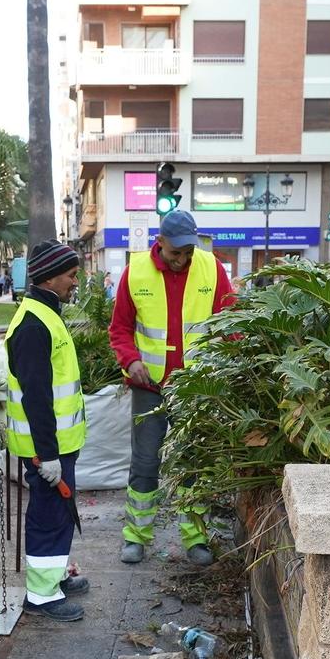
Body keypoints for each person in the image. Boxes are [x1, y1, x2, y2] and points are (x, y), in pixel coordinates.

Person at [109, 208, 236, 567]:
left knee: (194, 463)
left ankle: (195, 538)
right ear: (159, 242)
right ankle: (136, 537)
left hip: (197, 387)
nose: (182, 259)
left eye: (187, 252)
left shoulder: (211, 268)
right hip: (149, 386)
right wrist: (131, 361)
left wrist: (229, 365)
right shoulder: (135, 272)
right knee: (146, 461)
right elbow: (119, 328)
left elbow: (231, 320)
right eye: (175, 252)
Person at [5, 240, 90, 622]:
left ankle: (53, 576)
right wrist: (49, 455)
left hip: (55, 444)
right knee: (48, 516)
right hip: (46, 449)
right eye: (71, 275)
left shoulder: (44, 314)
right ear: (51, 276)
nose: (75, 282)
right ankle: (41, 596)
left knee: (57, 512)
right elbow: (36, 398)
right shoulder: (33, 325)